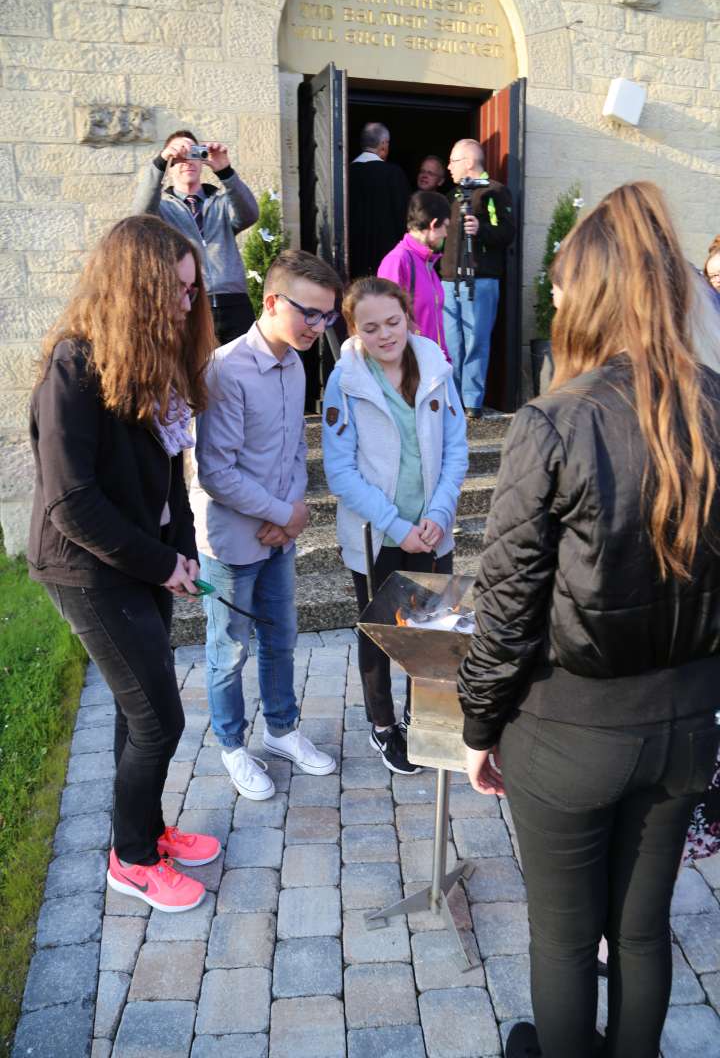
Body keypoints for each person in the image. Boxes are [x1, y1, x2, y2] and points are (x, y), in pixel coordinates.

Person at [457, 182, 720, 1058]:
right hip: (684, 728)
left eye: (566, 283)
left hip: (572, 733)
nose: (557, 297)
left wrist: (478, 728)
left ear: (600, 290)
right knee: (640, 933)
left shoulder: (555, 421)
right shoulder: (715, 403)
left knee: (568, 939)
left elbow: (505, 603)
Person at [27, 215, 220, 913]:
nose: (186, 304)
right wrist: (161, 564)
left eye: (193, 291)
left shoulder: (150, 358)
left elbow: (171, 473)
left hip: (146, 561)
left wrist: (185, 555)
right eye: (174, 290)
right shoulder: (73, 368)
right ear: (130, 286)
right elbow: (70, 504)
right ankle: (131, 860)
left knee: (137, 708)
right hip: (89, 570)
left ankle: (145, 830)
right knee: (159, 720)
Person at [191, 250, 342, 800]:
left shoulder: (297, 364)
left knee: (281, 639)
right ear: (273, 302)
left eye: (328, 316)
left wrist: (292, 515)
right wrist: (285, 514)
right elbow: (215, 472)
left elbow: (292, 453)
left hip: (280, 534)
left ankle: (282, 730)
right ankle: (233, 745)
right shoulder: (225, 370)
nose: (319, 326)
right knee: (228, 650)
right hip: (233, 541)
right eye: (311, 313)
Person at [322, 277, 468, 774]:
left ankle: (420, 718)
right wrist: (396, 524)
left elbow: (456, 449)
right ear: (354, 330)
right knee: (380, 634)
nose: (385, 335)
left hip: (431, 531)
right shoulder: (345, 380)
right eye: (371, 327)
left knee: (430, 632)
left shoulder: (435, 367)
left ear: (408, 316)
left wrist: (437, 514)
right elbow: (340, 472)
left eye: (393, 322)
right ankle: (384, 726)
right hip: (378, 536)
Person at [132, 129, 259, 345]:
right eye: (179, 157)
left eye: (193, 154)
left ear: (202, 161)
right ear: (169, 168)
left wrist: (225, 171)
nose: (187, 162)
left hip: (234, 302)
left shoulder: (221, 203)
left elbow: (249, 214)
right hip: (188, 302)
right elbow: (140, 217)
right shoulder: (161, 210)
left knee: (241, 369)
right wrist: (160, 163)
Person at [440, 138, 515, 417]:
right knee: (452, 343)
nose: (449, 167)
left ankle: (471, 401)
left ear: (469, 162)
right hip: (449, 280)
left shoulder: (494, 192)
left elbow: (507, 232)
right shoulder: (452, 196)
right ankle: (454, 397)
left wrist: (480, 229)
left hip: (480, 280)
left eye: (453, 161)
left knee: (475, 340)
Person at [378, 191, 451, 362]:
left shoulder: (427, 263)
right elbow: (385, 318)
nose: (446, 234)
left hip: (431, 365)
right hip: (412, 366)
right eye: (445, 226)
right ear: (433, 224)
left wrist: (444, 359)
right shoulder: (397, 260)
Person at [348, 122, 411, 279]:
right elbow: (405, 219)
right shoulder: (394, 174)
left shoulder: (345, 174)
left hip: (351, 260)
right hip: (387, 263)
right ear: (383, 145)